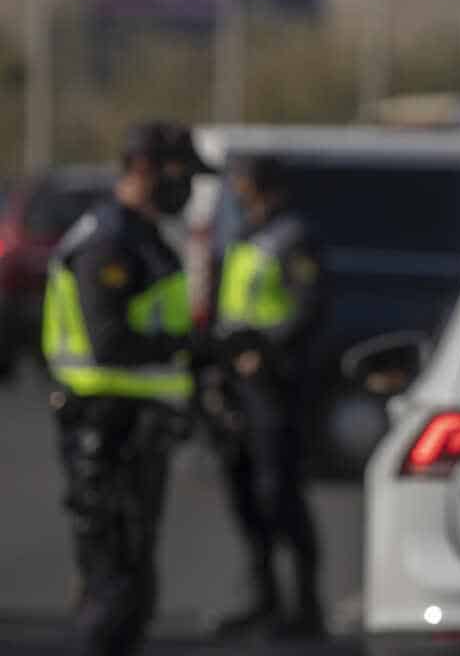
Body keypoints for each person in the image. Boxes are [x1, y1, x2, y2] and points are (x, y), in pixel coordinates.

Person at [42, 121, 208, 656]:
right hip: (106, 428)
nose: (188, 189)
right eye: (181, 175)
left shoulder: (142, 234)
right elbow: (108, 340)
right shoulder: (110, 240)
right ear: (144, 170)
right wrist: (187, 348)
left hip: (134, 425)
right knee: (113, 588)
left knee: (132, 586)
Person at [208, 155, 326, 639]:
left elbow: (308, 306)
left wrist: (267, 351)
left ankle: (305, 606)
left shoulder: (294, 238)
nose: (238, 193)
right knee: (243, 494)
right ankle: (265, 599)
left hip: (275, 384)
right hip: (235, 382)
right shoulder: (245, 237)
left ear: (268, 189)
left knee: (280, 494)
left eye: (246, 185)